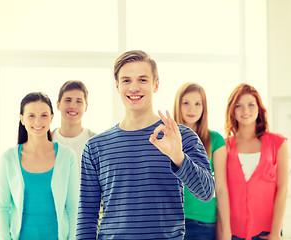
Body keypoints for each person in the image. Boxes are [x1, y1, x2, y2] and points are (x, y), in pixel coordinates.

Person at [76, 50, 215, 240]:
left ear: (155, 84)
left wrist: (178, 157)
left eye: (142, 80)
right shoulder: (96, 146)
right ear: (117, 86)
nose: (134, 87)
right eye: (126, 80)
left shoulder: (181, 136)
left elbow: (207, 193)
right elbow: (86, 214)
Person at [0, 92, 79, 240]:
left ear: (52, 118)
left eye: (44, 115)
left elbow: (73, 207)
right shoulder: (8, 158)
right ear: (22, 119)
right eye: (31, 116)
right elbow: (2, 208)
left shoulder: (67, 156)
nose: (38, 122)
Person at [224, 83, 288, 240]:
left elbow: (283, 189)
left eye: (251, 105)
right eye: (239, 105)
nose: (245, 110)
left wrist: (275, 233)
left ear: (259, 108)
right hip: (233, 233)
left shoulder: (278, 143)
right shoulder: (223, 146)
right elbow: (220, 192)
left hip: (268, 232)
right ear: (232, 110)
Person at [173, 82, 231, 240]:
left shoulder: (216, 140)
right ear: (178, 105)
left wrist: (226, 231)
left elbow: (221, 189)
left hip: (204, 223)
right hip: (171, 221)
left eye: (198, 103)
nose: (192, 109)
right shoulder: (166, 137)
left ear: (204, 107)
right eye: (186, 103)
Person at [52, 80, 96, 174]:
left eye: (79, 101)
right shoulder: (46, 140)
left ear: (86, 107)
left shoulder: (96, 142)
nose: (73, 105)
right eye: (68, 100)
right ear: (58, 105)